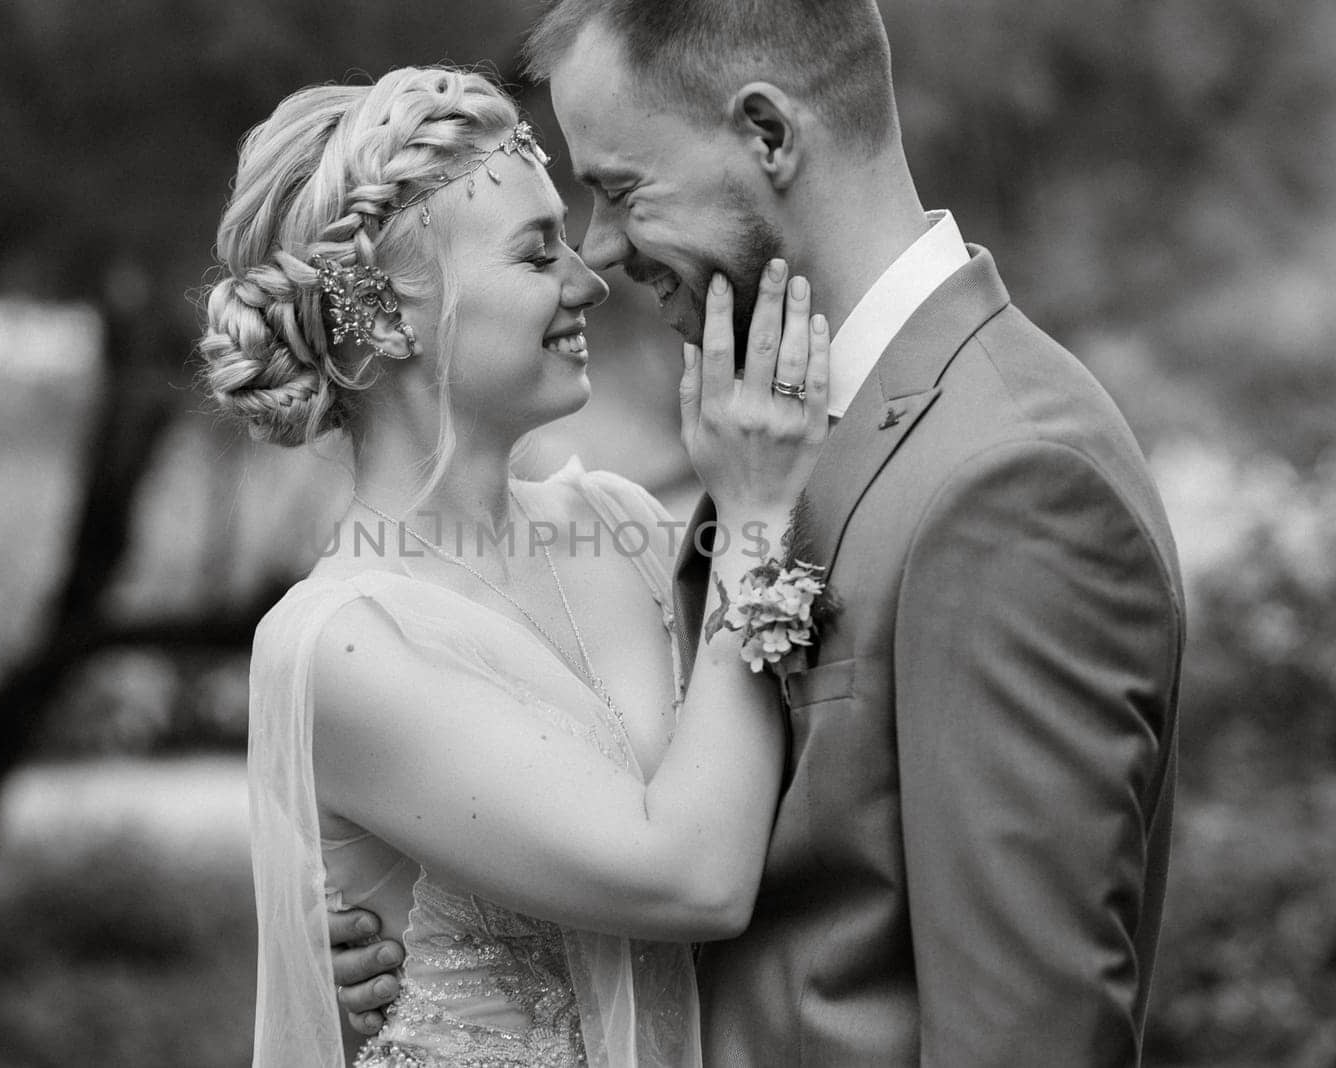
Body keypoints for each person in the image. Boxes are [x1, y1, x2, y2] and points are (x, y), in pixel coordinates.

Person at [334, 3, 1187, 1065]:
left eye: (620, 190)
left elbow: (1024, 1034)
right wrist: (443, 949)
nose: (597, 256)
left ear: (769, 134)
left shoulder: (1009, 482)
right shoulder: (788, 438)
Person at [200, 66, 836, 1066]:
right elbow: (693, 878)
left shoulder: (619, 526)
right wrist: (754, 517)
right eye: (539, 252)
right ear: (384, 313)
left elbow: (751, 790)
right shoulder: (346, 644)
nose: (590, 276)